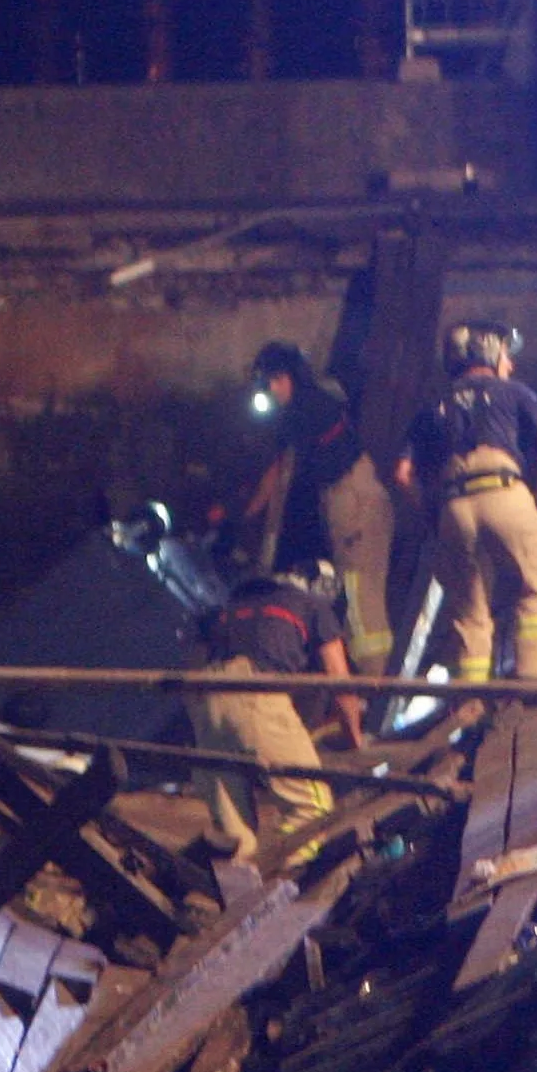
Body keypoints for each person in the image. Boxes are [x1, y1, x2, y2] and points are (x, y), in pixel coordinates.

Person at [395, 324, 537, 683]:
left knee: (468, 610)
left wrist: (434, 513)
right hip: (504, 492)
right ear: (489, 355)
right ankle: (536, 675)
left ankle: (470, 700)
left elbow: (402, 473)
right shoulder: (512, 392)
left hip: (453, 507)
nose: (510, 364)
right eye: (506, 356)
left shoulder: (433, 407)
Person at [239, 341, 396, 669]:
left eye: (270, 382)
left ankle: (377, 687)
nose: (269, 392)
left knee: (360, 600)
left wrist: (245, 519)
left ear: (284, 378)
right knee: (356, 600)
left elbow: (278, 474)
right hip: (351, 502)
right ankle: (370, 684)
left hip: (353, 506)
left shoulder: (302, 410)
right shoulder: (316, 404)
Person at [189, 561, 348, 860]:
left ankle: (241, 899)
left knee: (235, 838)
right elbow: (342, 684)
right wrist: (353, 737)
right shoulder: (313, 606)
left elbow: (192, 665)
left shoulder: (240, 603)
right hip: (254, 693)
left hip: (207, 702)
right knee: (313, 809)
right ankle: (282, 873)